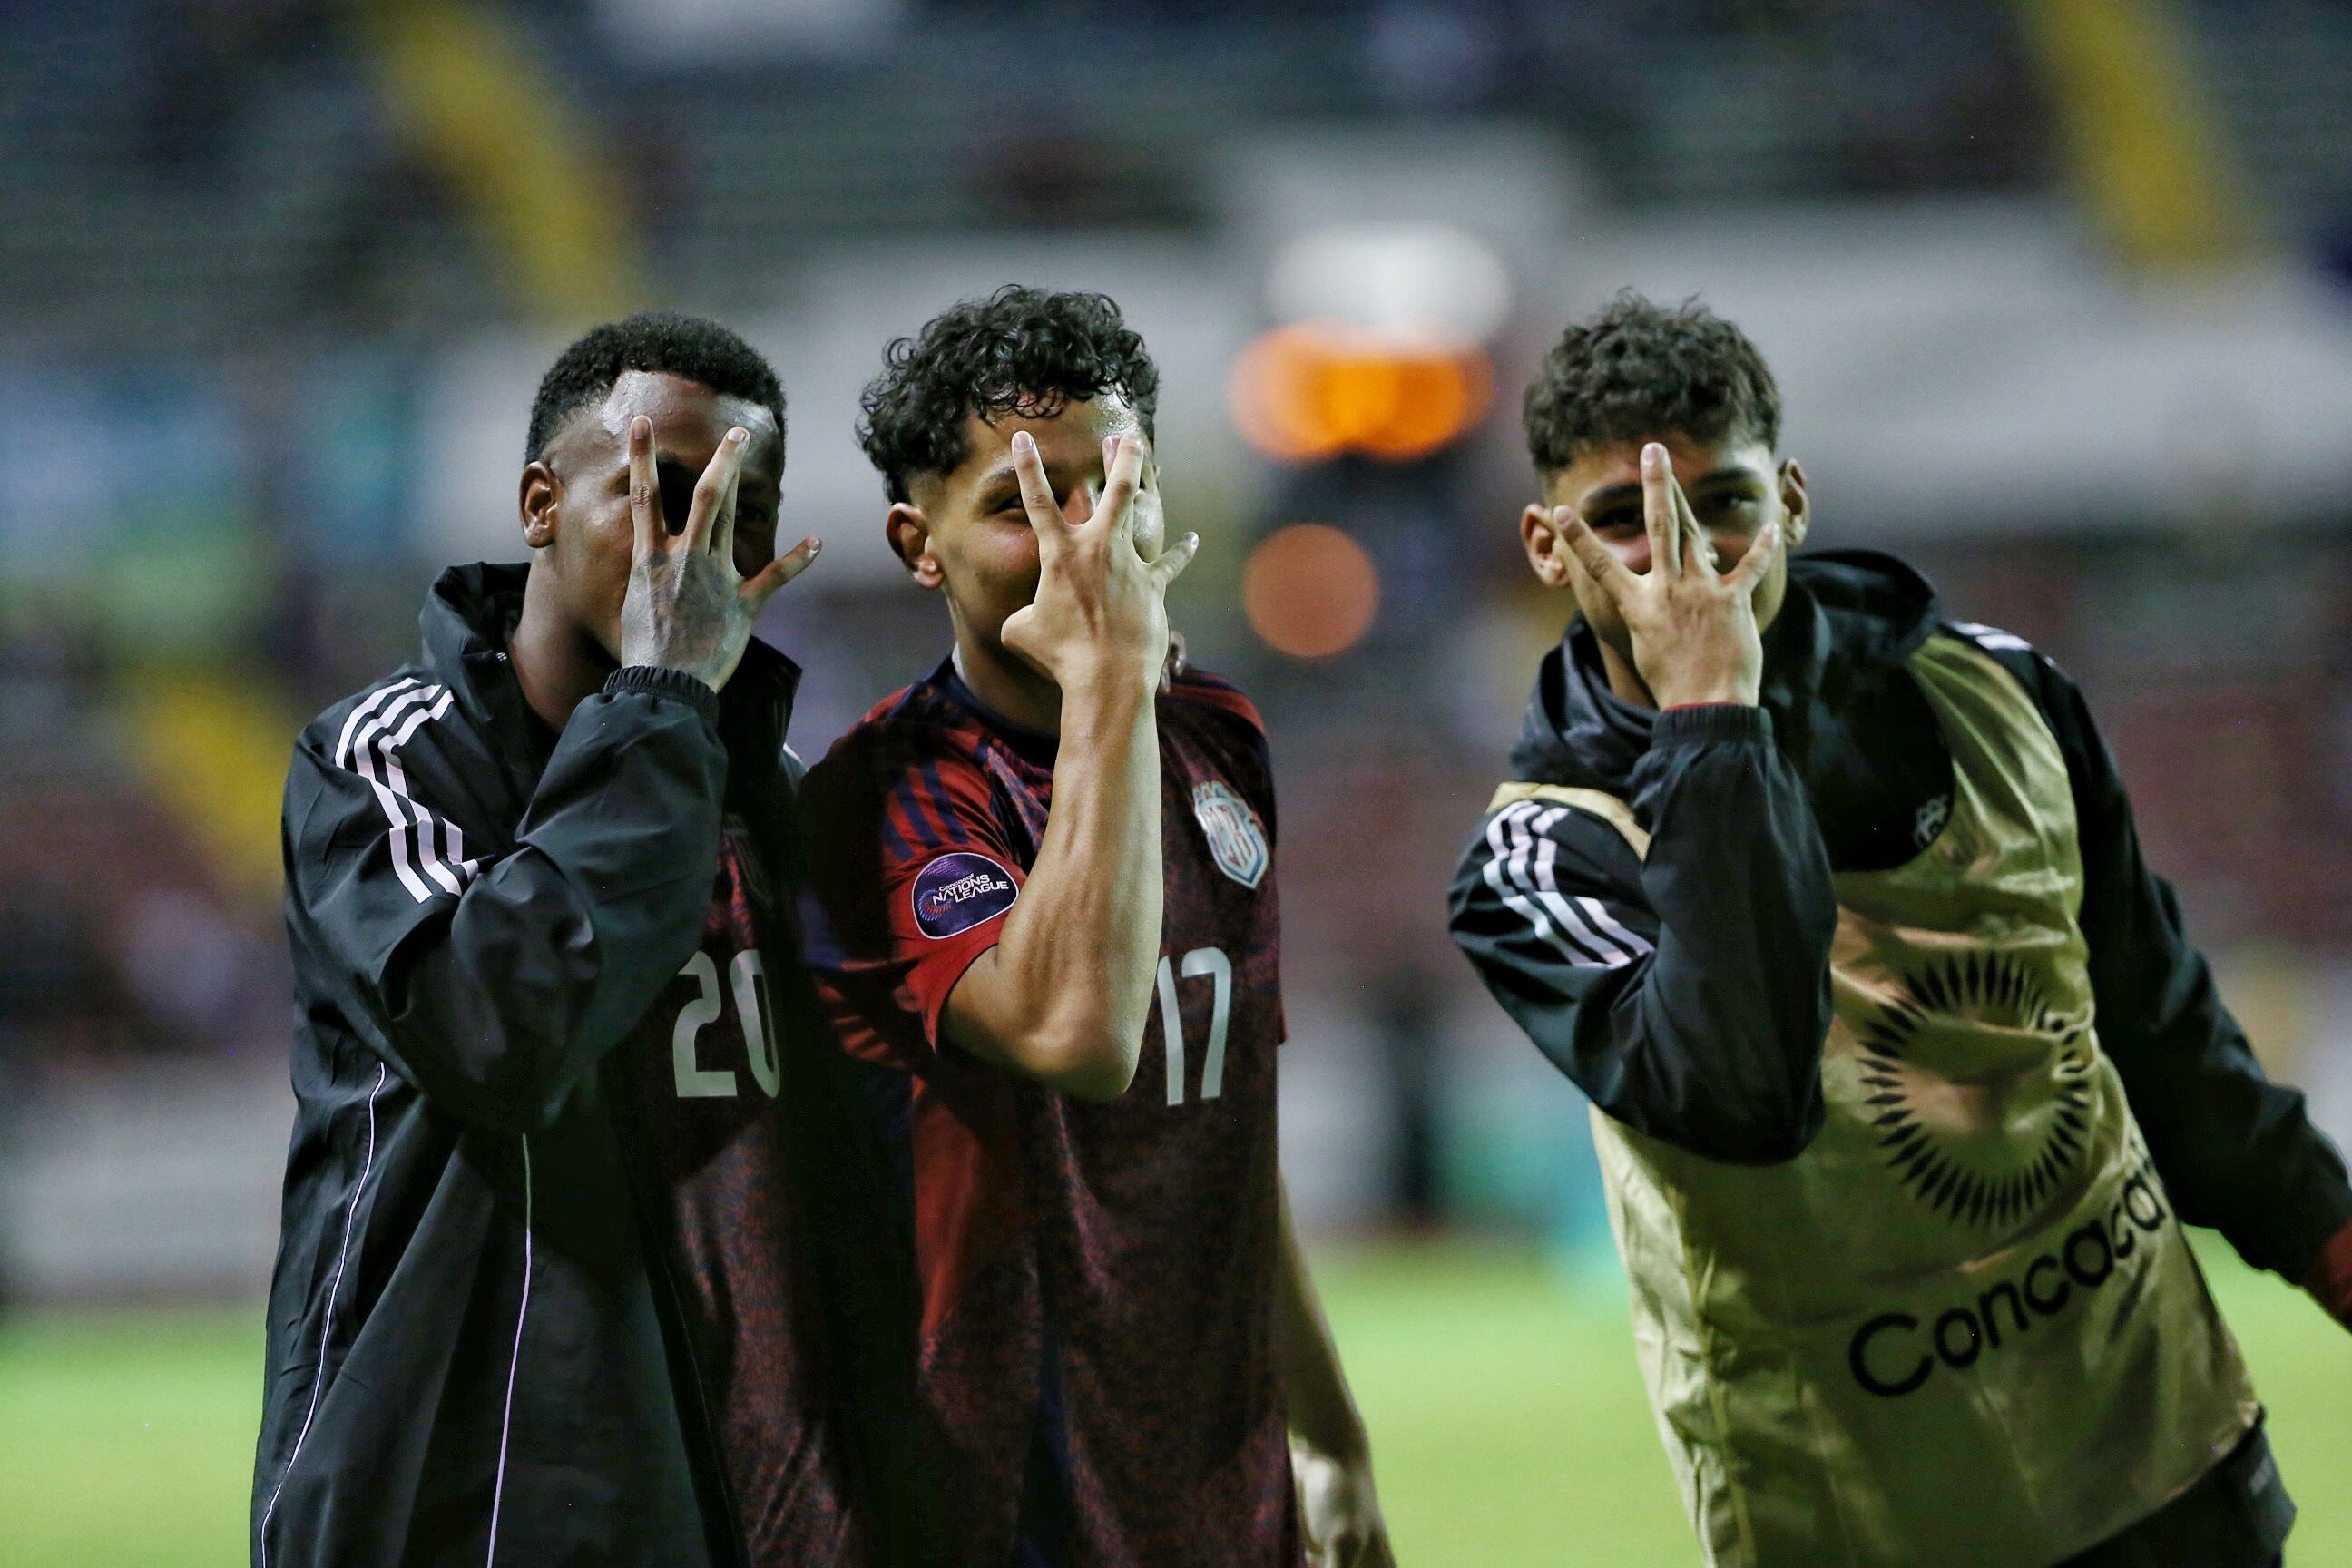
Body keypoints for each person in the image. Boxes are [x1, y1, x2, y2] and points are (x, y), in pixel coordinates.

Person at [1447, 293, 2352, 1568]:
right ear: (1547, 549)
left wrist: (2330, 1237)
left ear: (1795, 502)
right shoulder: (1541, 859)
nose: (1686, 561)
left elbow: (2165, 1038)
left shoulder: (2002, 689)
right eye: (1625, 522)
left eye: (1725, 507)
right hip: (1858, 1523)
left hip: (2164, 1458)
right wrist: (1711, 719)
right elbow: (1744, 1094)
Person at [253, 314, 910, 1567]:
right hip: (452, 1500)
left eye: (740, 510)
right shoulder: (385, 757)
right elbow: (497, 1027)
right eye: (658, 493)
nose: (697, 548)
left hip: (724, 1499)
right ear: (540, 505)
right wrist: (662, 698)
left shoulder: (774, 802)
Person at [799, 285, 1391, 1567]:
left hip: (1214, 1477)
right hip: (1005, 1497)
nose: (1082, 535)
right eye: (1020, 503)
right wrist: (1111, 679)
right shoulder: (883, 797)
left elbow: (1222, 1128)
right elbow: (1077, 1034)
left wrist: (1331, 1436)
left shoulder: (1220, 736)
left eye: (1111, 482)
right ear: (919, 542)